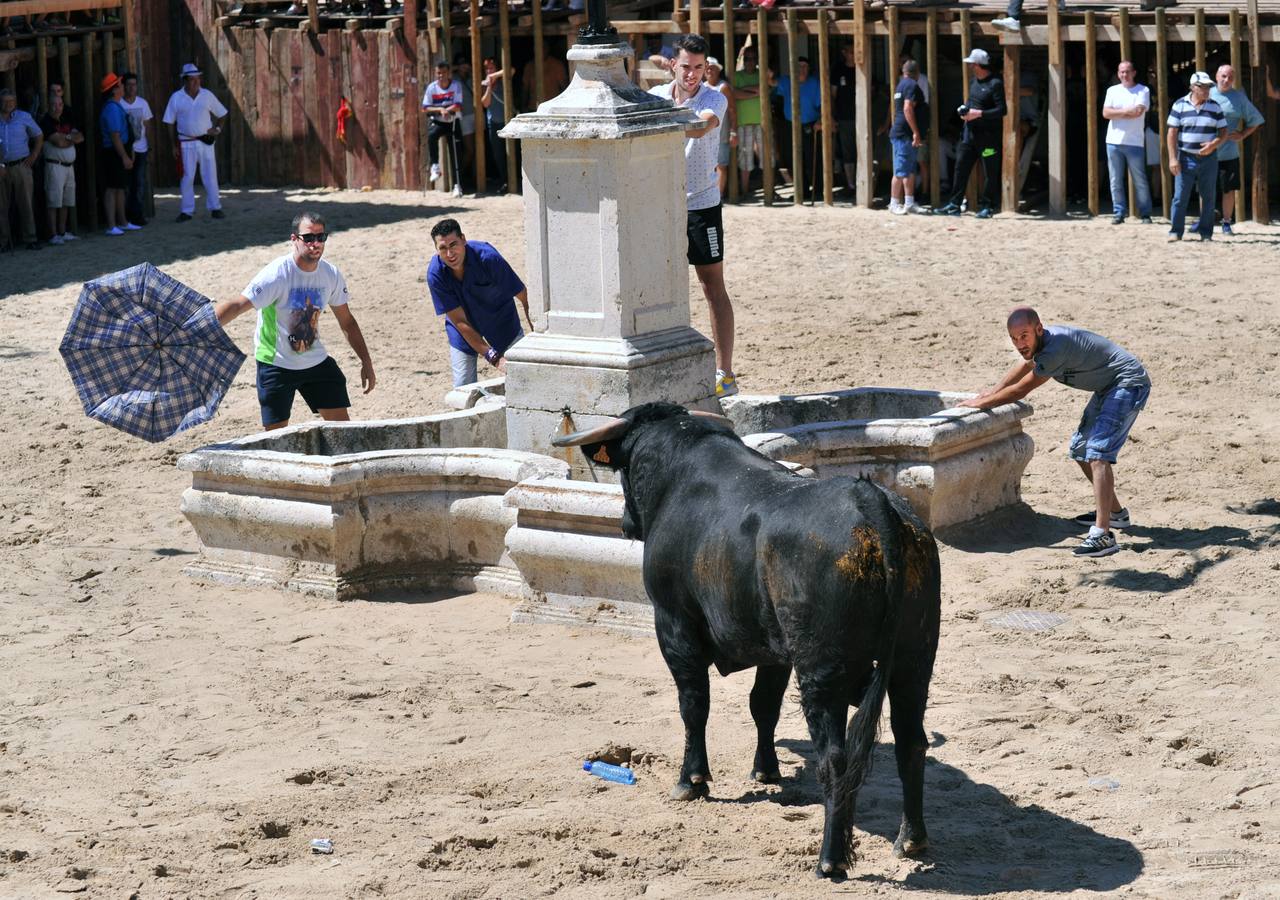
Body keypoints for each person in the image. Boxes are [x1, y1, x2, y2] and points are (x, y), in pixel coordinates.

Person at [961, 307, 1151, 559]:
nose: (1020, 343)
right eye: (1015, 338)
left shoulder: (1056, 347)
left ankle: (1103, 534)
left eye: (1025, 336)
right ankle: (1116, 515)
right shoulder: (1041, 346)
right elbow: (1026, 363)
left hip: (1126, 382)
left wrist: (983, 404)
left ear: (1039, 329)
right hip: (1108, 386)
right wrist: (992, 391)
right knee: (1080, 451)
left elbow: (1021, 390)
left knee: (1097, 454)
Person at [213, 212, 376, 430]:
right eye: (308, 238)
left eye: (321, 237)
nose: (315, 244)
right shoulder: (277, 274)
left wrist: (366, 361)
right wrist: (200, 327)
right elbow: (238, 304)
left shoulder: (330, 274)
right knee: (276, 442)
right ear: (294, 240)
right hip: (276, 364)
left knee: (343, 433)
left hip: (315, 362)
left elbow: (347, 322)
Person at [649, 33, 738, 399]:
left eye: (699, 68)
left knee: (712, 286)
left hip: (701, 204)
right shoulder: (655, 98)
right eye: (686, 66)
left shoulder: (713, 97)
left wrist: (657, 121)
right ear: (674, 64)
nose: (692, 75)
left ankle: (726, 372)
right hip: (661, 205)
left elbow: (702, 126)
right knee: (659, 288)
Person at [427, 218, 532, 387]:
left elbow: (525, 298)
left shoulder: (489, 259)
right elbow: (459, 321)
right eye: (443, 248)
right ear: (436, 250)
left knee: (525, 380)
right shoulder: (435, 274)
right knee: (462, 389)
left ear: (463, 239)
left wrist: (538, 336)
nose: (450, 254)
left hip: (502, 321)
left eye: (453, 244)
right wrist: (494, 357)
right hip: (463, 329)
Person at [934, 48, 1005, 219]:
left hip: (988, 138)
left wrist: (979, 114)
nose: (970, 67)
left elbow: (1002, 110)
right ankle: (954, 204)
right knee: (960, 168)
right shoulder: (974, 82)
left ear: (979, 65)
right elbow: (970, 103)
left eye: (972, 64)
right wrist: (964, 111)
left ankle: (988, 206)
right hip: (969, 136)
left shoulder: (995, 83)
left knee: (990, 171)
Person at [162, 63, 228, 222]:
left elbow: (222, 113)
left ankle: (215, 207)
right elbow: (169, 122)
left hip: (205, 142)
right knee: (187, 177)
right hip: (185, 142)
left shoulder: (207, 95)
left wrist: (217, 129)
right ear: (185, 81)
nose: (196, 82)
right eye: (192, 79)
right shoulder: (176, 98)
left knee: (210, 176)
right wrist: (173, 145)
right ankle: (187, 210)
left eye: (197, 79)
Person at [1166, 70, 1226, 242]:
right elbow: (1171, 133)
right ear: (1193, 87)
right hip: (1185, 157)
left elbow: (1223, 132)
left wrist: (1213, 144)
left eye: (1209, 87)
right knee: (1180, 197)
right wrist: (1172, 158)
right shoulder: (1179, 105)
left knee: (1209, 198)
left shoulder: (1215, 106)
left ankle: (1206, 234)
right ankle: (1176, 231)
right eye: (1203, 87)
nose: (1207, 90)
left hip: (1209, 159)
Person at [1208, 64, 1263, 235]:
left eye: (1230, 77)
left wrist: (1243, 134)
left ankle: (1226, 222)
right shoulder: (1205, 93)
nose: (1226, 80)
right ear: (1216, 76)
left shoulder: (1239, 97)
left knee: (1228, 189)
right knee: (1204, 188)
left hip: (1228, 152)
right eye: (1223, 76)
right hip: (1206, 151)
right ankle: (1205, 220)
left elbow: (1256, 119)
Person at [1102, 60, 1153, 226]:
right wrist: (1126, 111)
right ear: (1118, 74)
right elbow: (1105, 113)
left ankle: (1145, 214)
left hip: (1134, 142)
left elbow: (1138, 112)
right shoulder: (1112, 90)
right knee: (1115, 180)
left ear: (1134, 73)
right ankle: (1119, 212)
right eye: (1122, 72)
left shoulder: (1143, 90)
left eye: (1127, 71)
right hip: (1113, 141)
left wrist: (1117, 113)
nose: (1124, 75)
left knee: (1140, 180)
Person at [0, 87, 44, 251]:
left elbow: (39, 135)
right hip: (1, 168)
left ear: (15, 102)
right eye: (5, 101)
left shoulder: (24, 117)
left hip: (21, 166)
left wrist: (34, 155)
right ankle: (3, 242)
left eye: (11, 101)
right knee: (1, 207)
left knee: (26, 203)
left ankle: (30, 238)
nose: (8, 104)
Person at [773, 56, 822, 196]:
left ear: (809, 69)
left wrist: (820, 120)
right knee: (794, 159)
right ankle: (802, 190)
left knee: (812, 158)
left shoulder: (815, 83)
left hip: (810, 125)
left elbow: (821, 105)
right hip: (791, 125)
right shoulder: (786, 81)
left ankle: (818, 191)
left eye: (804, 66)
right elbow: (771, 81)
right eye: (798, 66)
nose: (801, 69)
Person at [39, 89, 82, 245]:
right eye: (54, 104)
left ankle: (63, 231)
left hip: (68, 166)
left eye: (60, 104)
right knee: (53, 201)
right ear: (49, 106)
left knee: (66, 200)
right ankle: (53, 234)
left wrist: (67, 137)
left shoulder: (66, 120)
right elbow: (59, 142)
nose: (57, 107)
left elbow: (80, 137)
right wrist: (70, 138)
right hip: (54, 166)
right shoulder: (46, 122)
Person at [98, 73, 138, 237]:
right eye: (120, 85)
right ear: (114, 90)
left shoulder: (115, 106)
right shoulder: (112, 109)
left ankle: (123, 222)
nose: (123, 87)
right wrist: (124, 156)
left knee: (120, 188)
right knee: (112, 188)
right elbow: (115, 136)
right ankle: (111, 225)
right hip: (113, 153)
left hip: (118, 152)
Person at [422, 61, 464, 198]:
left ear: (448, 73)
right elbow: (425, 107)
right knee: (431, 135)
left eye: (444, 73)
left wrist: (447, 110)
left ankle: (457, 185)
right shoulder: (431, 88)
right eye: (439, 73)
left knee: (456, 153)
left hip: (453, 121)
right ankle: (435, 166)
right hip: (439, 121)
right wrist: (440, 110)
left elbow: (458, 105)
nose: (441, 76)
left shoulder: (456, 85)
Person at [888, 59, 925, 215]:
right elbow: (907, 108)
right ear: (917, 73)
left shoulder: (900, 85)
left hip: (901, 132)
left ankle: (909, 202)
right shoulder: (911, 85)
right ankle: (894, 203)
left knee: (909, 170)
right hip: (904, 133)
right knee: (900, 170)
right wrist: (916, 131)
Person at [119, 72, 153, 227]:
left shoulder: (143, 103)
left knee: (139, 184)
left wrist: (150, 145)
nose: (132, 88)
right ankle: (125, 217)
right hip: (125, 149)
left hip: (141, 148)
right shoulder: (119, 104)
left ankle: (137, 215)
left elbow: (147, 125)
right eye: (129, 85)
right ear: (124, 87)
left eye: (134, 84)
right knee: (125, 185)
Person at [732, 43, 763, 198]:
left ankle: (769, 188)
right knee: (745, 159)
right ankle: (744, 191)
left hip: (761, 122)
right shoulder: (736, 76)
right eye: (747, 58)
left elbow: (765, 88)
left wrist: (745, 91)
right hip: (743, 123)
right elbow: (734, 94)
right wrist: (755, 92)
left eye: (753, 58)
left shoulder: (761, 73)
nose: (750, 61)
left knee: (765, 157)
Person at [705, 57, 736, 199]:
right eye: (708, 67)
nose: (710, 70)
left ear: (718, 70)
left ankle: (718, 196)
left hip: (722, 132)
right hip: (705, 133)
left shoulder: (723, 87)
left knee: (721, 164)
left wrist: (733, 131)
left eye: (713, 68)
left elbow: (732, 110)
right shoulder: (702, 86)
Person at [832, 41, 858, 194]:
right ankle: (851, 184)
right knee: (847, 152)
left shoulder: (863, 67)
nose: (853, 54)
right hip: (844, 117)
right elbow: (832, 95)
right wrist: (833, 116)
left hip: (862, 117)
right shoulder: (838, 70)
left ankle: (861, 182)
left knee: (861, 151)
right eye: (850, 51)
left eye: (855, 51)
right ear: (844, 53)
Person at [480, 57, 508, 190]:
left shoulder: (504, 79)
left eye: (491, 68)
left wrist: (494, 76)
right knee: (498, 154)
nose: (489, 71)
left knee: (510, 153)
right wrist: (489, 86)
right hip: (493, 123)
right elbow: (485, 103)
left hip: (507, 121)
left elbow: (511, 70)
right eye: (486, 69)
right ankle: (504, 180)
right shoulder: (484, 84)